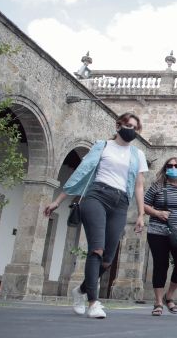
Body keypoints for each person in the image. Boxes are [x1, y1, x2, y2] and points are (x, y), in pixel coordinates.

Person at [44, 112, 148, 319]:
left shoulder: (138, 155)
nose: (131, 130)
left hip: (121, 202)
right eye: (128, 125)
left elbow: (139, 185)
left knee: (108, 259)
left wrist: (141, 214)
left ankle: (80, 291)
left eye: (135, 128)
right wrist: (58, 200)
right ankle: (93, 301)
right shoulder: (102, 146)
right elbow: (82, 173)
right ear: (118, 126)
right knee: (97, 250)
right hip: (96, 196)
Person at [143, 157, 177, 316]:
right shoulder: (157, 186)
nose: (173, 168)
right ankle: (158, 302)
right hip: (158, 231)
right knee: (160, 265)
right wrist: (156, 213)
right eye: (170, 165)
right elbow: (145, 205)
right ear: (165, 168)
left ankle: (170, 295)